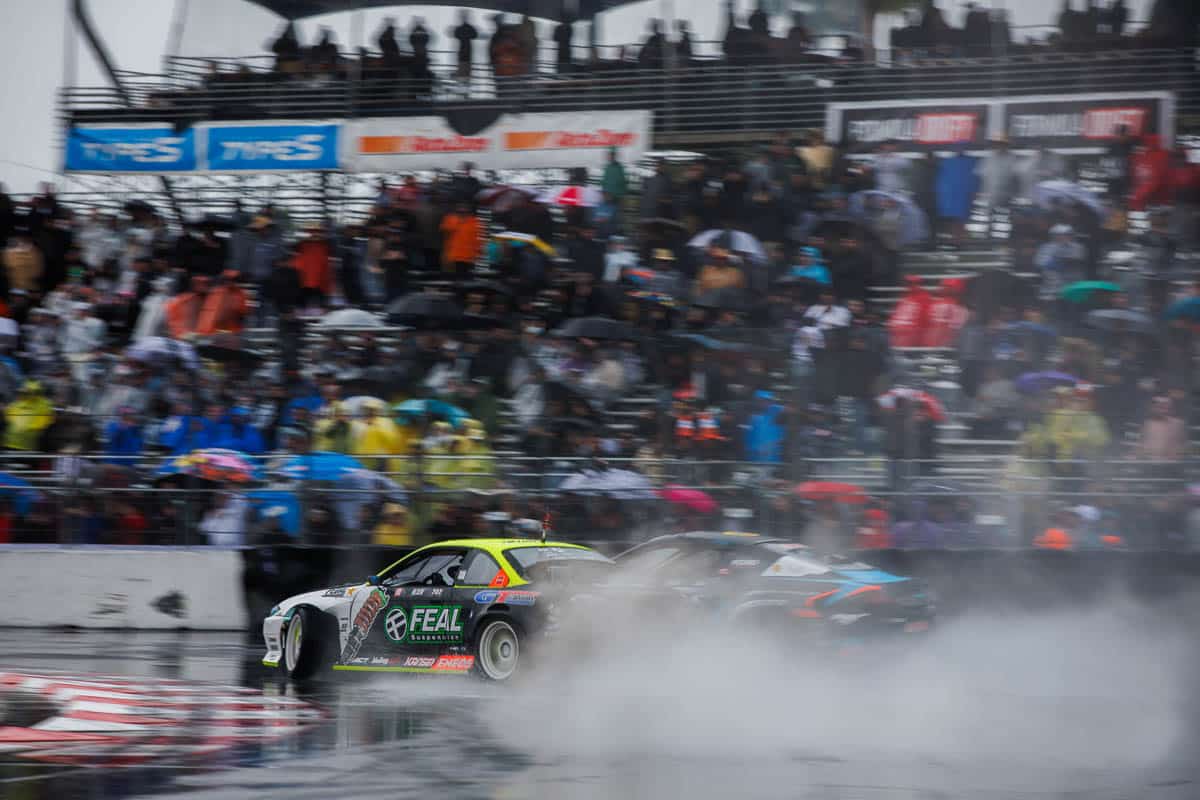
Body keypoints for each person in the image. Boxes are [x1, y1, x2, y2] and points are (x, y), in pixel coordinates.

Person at [440, 202, 481, 276]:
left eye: (465, 211)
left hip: (468, 257)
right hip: (453, 256)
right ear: (456, 210)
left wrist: (477, 254)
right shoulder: (450, 219)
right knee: (453, 277)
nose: (462, 213)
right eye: (460, 211)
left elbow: (478, 241)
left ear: (469, 211)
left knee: (465, 278)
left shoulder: (475, 222)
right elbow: (445, 236)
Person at [453, 11, 478, 79]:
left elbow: (455, 34)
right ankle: (465, 80)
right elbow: (475, 35)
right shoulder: (469, 28)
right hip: (467, 52)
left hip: (463, 52)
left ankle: (463, 80)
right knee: (466, 69)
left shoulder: (460, 28)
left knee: (463, 68)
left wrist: (463, 35)